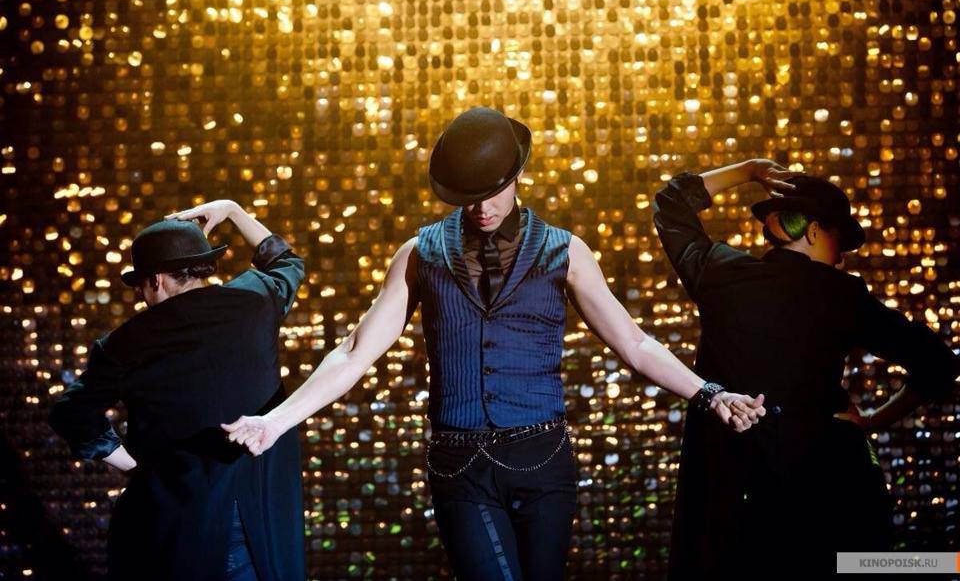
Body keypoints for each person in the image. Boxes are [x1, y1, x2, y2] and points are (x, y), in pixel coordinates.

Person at [221, 107, 766, 581]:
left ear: (518, 174)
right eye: (470, 196)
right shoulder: (420, 254)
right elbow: (354, 350)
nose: (482, 207)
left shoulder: (564, 251)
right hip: (460, 467)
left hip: (542, 459)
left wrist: (709, 394)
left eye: (492, 192)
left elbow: (636, 343)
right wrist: (276, 421)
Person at [653, 159, 959, 579]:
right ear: (814, 231)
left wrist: (749, 171)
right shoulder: (843, 295)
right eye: (839, 242)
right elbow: (938, 364)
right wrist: (873, 420)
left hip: (734, 496)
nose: (841, 259)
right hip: (830, 491)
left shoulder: (720, 273)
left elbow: (671, 203)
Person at [49, 202, 306, 581]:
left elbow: (70, 414)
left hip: (174, 528)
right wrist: (233, 211)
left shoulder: (124, 343)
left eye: (140, 285)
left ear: (155, 280)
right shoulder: (257, 300)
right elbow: (286, 262)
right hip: (262, 517)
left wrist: (135, 467)